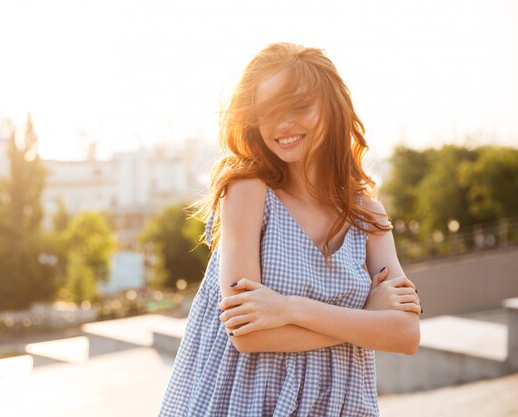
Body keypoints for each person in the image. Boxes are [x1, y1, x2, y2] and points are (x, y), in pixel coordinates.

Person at [158, 42, 421, 417]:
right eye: (269, 112)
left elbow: (406, 335)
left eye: (298, 106)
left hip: (339, 406)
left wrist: (287, 308)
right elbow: (247, 334)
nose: (282, 125)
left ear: (332, 107)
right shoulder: (248, 191)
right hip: (245, 403)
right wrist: (365, 319)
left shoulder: (367, 215)